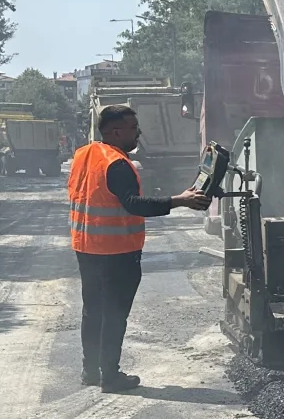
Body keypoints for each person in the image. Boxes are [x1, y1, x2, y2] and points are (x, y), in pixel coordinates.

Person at [68, 104, 211, 392]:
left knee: (92, 310)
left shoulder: (84, 154)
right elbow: (133, 205)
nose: (139, 133)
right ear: (115, 132)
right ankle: (111, 376)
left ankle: (90, 371)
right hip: (116, 252)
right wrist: (179, 200)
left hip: (86, 248)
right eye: (133, 128)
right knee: (115, 314)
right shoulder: (118, 164)